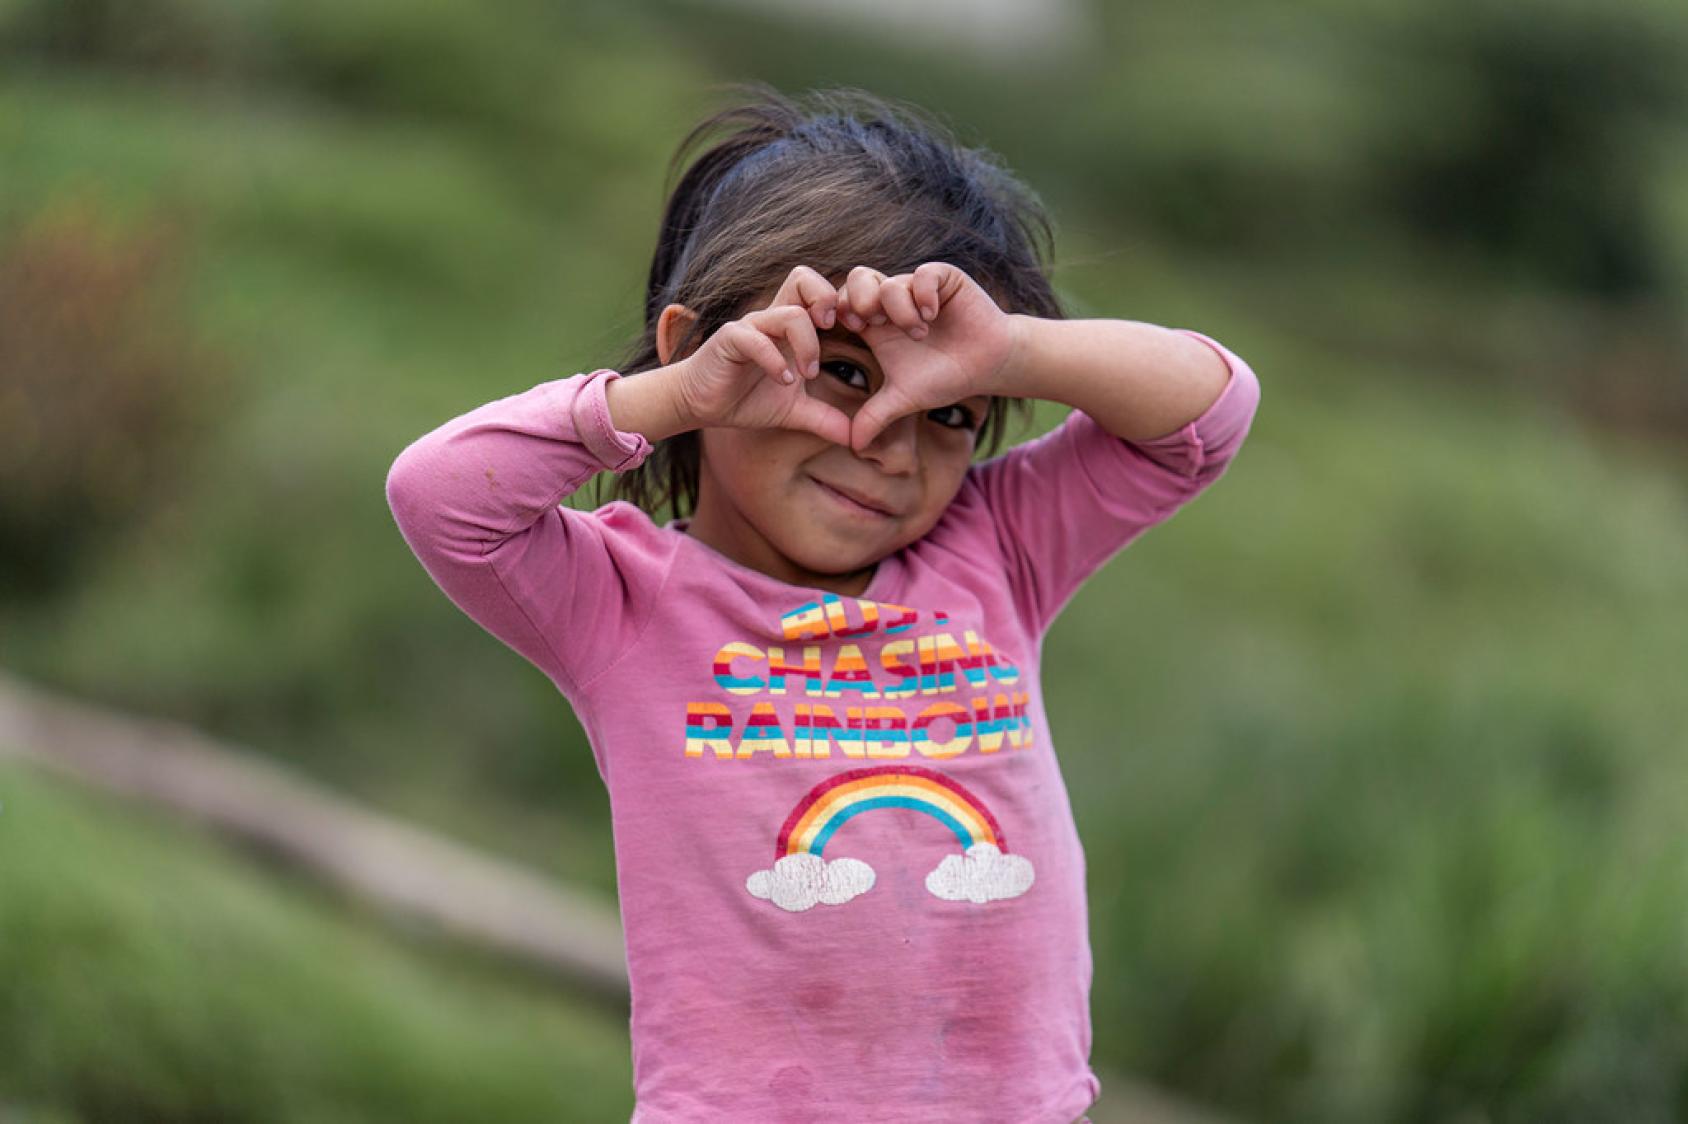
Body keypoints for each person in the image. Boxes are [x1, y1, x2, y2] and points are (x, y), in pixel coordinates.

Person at [385, 82, 1261, 1124]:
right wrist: (670, 401)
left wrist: (1012, 348)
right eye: (841, 371)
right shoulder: (620, 601)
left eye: (950, 410)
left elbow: (1207, 415)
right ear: (695, 348)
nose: (888, 439)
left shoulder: (996, 548)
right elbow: (438, 497)